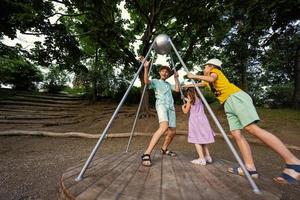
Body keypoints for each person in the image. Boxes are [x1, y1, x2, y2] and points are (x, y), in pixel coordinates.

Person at [187, 58, 300, 184]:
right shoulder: (208, 81)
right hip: (227, 104)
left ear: (211, 66)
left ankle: (293, 163)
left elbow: (211, 78)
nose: (204, 69)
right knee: (236, 134)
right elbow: (203, 84)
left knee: (251, 128)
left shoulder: (216, 72)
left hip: (235, 98)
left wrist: (194, 75)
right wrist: (188, 84)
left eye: (205, 67)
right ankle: (250, 168)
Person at [139, 56, 180, 167]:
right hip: (161, 105)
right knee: (164, 127)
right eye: (163, 71)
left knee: (172, 131)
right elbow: (146, 81)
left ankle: (164, 148)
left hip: (170, 108)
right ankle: (146, 153)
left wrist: (176, 78)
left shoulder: (168, 84)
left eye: (167, 72)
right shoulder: (156, 81)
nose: (165, 73)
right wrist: (146, 67)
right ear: (160, 72)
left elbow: (177, 89)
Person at [182, 87, 215, 165]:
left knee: (196, 139)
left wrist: (183, 107)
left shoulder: (190, 101)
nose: (187, 97)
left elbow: (186, 111)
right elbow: (192, 101)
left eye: (187, 95)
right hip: (203, 120)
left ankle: (201, 159)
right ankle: (207, 156)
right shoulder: (199, 99)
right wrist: (187, 100)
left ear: (189, 94)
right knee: (202, 139)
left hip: (195, 121)